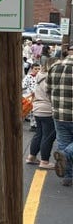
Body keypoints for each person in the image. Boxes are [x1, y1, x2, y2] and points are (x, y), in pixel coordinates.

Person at [46, 47, 73, 187]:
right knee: (68, 148)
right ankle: (66, 155)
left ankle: (68, 177)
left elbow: (48, 90)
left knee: (63, 142)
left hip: (59, 114)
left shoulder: (54, 66)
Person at [26, 58, 57, 170]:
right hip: (47, 109)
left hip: (37, 108)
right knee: (48, 136)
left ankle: (31, 157)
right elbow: (52, 94)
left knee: (39, 133)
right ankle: (44, 161)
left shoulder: (39, 75)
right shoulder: (49, 78)